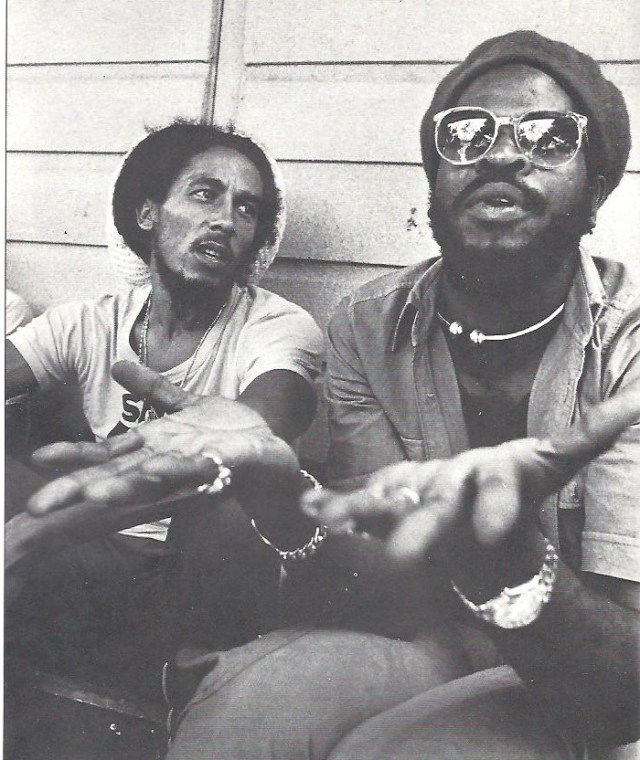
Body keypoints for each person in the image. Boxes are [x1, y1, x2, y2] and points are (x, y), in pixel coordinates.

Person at [13, 32, 639, 758]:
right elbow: (389, 596)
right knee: (240, 724)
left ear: (597, 188)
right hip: (434, 631)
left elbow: (620, 694)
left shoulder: (628, 347)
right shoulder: (370, 325)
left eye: (549, 136)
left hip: (583, 666)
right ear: (434, 177)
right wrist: (278, 493)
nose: (500, 155)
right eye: (465, 135)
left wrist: (505, 555)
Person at [5, 121, 323, 700]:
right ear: (148, 213)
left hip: (196, 575)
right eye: (205, 194)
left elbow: (268, 421)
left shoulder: (278, 326)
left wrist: (34, 533)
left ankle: (187, 691)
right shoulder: (90, 321)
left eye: (247, 208)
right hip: (92, 553)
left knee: (227, 503)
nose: (226, 220)